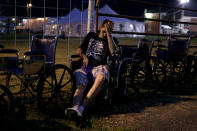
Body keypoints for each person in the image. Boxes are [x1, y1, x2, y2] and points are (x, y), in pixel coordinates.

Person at [65, 19, 118, 117]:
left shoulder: (112, 40)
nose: (107, 29)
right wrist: (84, 57)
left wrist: (109, 35)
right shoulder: (91, 35)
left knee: (101, 77)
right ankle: (75, 107)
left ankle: (82, 108)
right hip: (86, 66)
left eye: (110, 27)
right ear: (101, 27)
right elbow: (79, 50)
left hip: (100, 67)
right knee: (81, 85)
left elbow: (113, 52)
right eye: (106, 27)